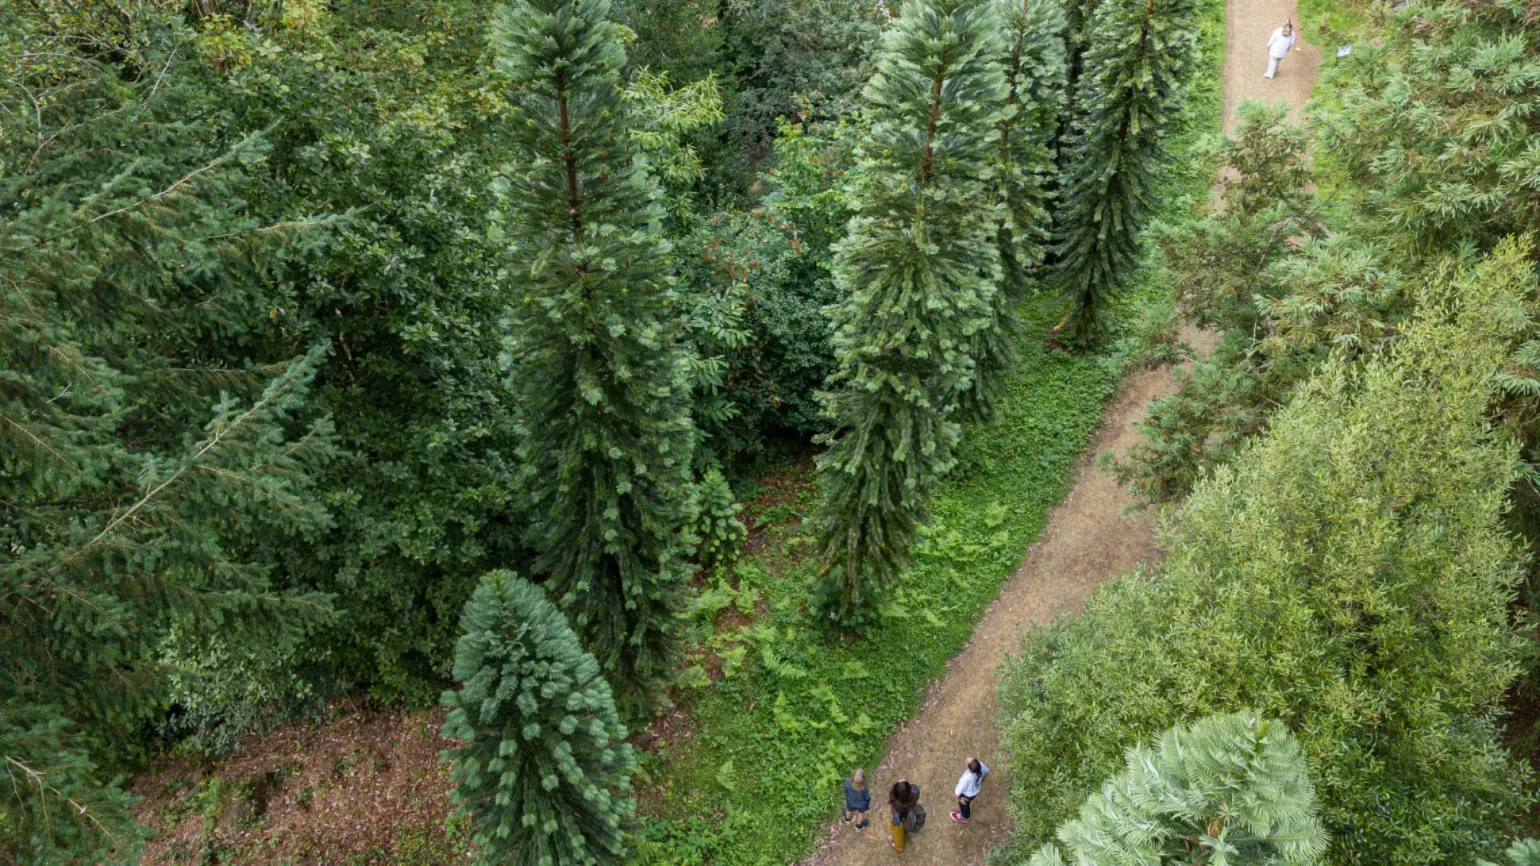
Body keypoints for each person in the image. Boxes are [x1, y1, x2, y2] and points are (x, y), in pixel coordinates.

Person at [951, 757, 991, 824]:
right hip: (975, 791)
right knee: (965, 804)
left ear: (968, 767)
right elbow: (987, 771)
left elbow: (956, 794)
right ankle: (964, 812)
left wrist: (959, 801)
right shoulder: (980, 765)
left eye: (969, 760)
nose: (968, 758)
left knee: (965, 806)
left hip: (967, 795)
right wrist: (983, 780)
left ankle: (964, 817)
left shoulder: (965, 779)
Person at [889, 779, 920, 851]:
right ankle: (905, 832)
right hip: (910, 817)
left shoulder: (896, 807)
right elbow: (915, 788)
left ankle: (898, 846)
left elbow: (896, 823)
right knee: (906, 827)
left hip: (901, 820)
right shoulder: (915, 792)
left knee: (898, 832)